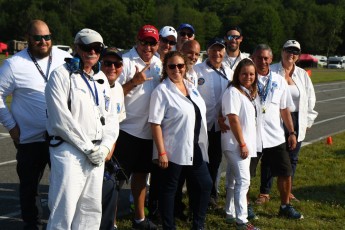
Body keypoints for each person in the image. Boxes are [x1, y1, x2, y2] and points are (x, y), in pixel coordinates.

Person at [0, 19, 71, 230]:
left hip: (60, 135)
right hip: (30, 137)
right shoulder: (14, 64)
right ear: (28, 38)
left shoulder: (64, 58)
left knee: (64, 184)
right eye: (38, 38)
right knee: (29, 187)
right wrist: (12, 126)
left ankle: (60, 224)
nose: (43, 42)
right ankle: (32, 225)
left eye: (47, 37)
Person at [45, 28, 119, 230]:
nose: (92, 52)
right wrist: (88, 148)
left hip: (96, 154)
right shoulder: (61, 75)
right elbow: (61, 119)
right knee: (64, 210)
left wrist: (105, 147)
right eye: (87, 47)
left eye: (97, 48)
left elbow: (111, 118)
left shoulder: (102, 79)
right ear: (77, 47)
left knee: (90, 211)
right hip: (69, 152)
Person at [149, 51, 212, 230]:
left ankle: (198, 225)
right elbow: (155, 123)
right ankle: (169, 226)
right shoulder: (161, 91)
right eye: (172, 66)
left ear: (185, 67)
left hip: (194, 145)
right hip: (172, 149)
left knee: (205, 184)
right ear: (166, 68)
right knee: (170, 190)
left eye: (180, 66)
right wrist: (161, 152)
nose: (176, 69)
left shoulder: (190, 86)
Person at [257, 40, 317, 203]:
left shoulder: (302, 74)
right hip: (275, 119)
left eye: (295, 52)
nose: (291, 54)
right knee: (270, 157)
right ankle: (265, 192)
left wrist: (307, 121)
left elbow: (310, 99)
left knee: (292, 157)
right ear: (282, 51)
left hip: (297, 119)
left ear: (298, 55)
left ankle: (287, 192)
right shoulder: (272, 71)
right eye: (288, 50)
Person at [114, 24, 162, 230]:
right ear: (137, 40)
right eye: (144, 42)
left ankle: (139, 219)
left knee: (141, 177)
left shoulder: (160, 63)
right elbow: (112, 95)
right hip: (126, 130)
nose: (148, 47)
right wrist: (133, 82)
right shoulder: (124, 62)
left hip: (148, 132)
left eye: (152, 43)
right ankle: (110, 221)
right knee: (116, 181)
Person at [249, 44, 303, 219]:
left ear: (271, 59)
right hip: (253, 136)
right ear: (253, 59)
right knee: (246, 174)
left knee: (285, 172)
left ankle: (285, 205)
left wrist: (292, 132)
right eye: (259, 58)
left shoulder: (279, 80)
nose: (263, 61)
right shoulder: (247, 78)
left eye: (266, 58)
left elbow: (284, 109)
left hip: (275, 136)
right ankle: (245, 206)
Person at [194, 37, 233, 208]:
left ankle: (211, 195)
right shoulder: (197, 70)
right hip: (200, 125)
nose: (217, 53)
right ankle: (197, 195)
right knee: (199, 162)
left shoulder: (229, 72)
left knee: (215, 162)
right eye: (213, 49)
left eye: (220, 50)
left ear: (224, 51)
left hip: (219, 126)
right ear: (207, 51)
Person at [222, 58, 259, 230]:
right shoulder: (233, 92)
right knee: (243, 181)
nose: (248, 77)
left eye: (251, 74)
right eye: (244, 73)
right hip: (236, 144)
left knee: (232, 180)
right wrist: (242, 143)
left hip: (241, 143)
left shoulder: (246, 91)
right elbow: (233, 118)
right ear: (238, 74)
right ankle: (242, 220)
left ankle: (230, 212)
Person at [99, 47, 126, 230]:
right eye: (108, 63)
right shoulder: (93, 84)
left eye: (116, 64)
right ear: (100, 64)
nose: (112, 67)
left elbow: (116, 122)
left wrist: (111, 147)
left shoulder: (118, 88)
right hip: (91, 150)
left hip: (108, 150)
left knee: (110, 189)